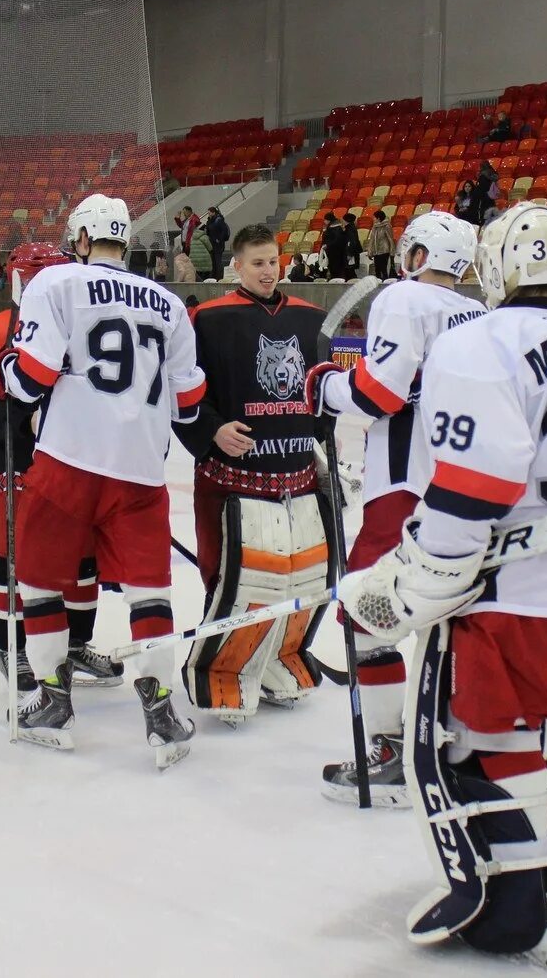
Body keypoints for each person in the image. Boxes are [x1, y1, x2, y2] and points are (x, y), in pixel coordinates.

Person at [337, 200, 547, 963]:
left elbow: (478, 478)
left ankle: (521, 900)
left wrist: (423, 575)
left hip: (517, 592)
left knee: (481, 737)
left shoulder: (482, 341)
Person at [0, 193, 207, 767]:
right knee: (149, 592)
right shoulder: (168, 302)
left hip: (68, 458)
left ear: (80, 239)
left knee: (40, 582)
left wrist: (4, 370)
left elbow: (30, 378)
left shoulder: (55, 283)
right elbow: (189, 402)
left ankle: (52, 701)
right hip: (140, 468)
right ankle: (161, 713)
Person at [303, 211, 488, 806]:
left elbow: (379, 395)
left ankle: (388, 752)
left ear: (415, 255)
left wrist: (326, 386)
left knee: (365, 613)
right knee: (449, 621)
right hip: (468, 493)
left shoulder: (406, 299)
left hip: (404, 490)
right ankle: (453, 747)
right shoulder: (479, 314)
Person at [176, 224, 329, 723]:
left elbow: (323, 399)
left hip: (296, 478)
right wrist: (214, 430)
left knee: (298, 578)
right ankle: (223, 670)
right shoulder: (207, 320)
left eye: (273, 261)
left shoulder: (312, 320)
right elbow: (183, 393)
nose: (268, 271)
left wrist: (324, 447)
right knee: (232, 580)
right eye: (257, 262)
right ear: (236, 267)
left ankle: (275, 661)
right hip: (232, 482)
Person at [0, 243, 120, 692]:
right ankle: (12, 651)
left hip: (77, 459)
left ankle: (73, 645)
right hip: (15, 459)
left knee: (83, 559)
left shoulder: (88, 327)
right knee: (12, 557)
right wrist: (24, 416)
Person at [320, 212, 348, 279]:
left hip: (335, 253)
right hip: (335, 253)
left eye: (325, 220)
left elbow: (336, 240)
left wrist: (327, 245)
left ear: (329, 220)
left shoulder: (335, 228)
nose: (324, 221)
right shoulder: (335, 227)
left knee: (336, 271)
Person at [205, 207, 231, 276]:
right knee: (213, 261)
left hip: (218, 244)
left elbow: (223, 231)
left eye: (209, 212)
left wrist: (219, 240)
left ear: (213, 212)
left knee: (218, 261)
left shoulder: (218, 220)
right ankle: (214, 275)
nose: (208, 214)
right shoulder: (210, 220)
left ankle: (219, 276)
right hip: (212, 243)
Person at [342, 212, 364, 277]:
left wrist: (349, 253)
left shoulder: (350, 229)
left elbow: (351, 242)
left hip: (352, 253)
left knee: (350, 271)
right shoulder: (350, 228)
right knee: (350, 271)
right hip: (353, 252)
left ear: (346, 220)